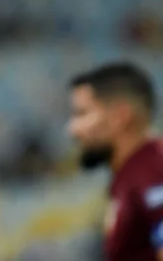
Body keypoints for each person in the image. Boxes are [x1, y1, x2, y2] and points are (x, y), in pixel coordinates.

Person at [67, 62, 163, 261]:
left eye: (82, 114)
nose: (73, 129)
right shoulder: (132, 175)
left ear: (121, 116)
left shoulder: (153, 172)